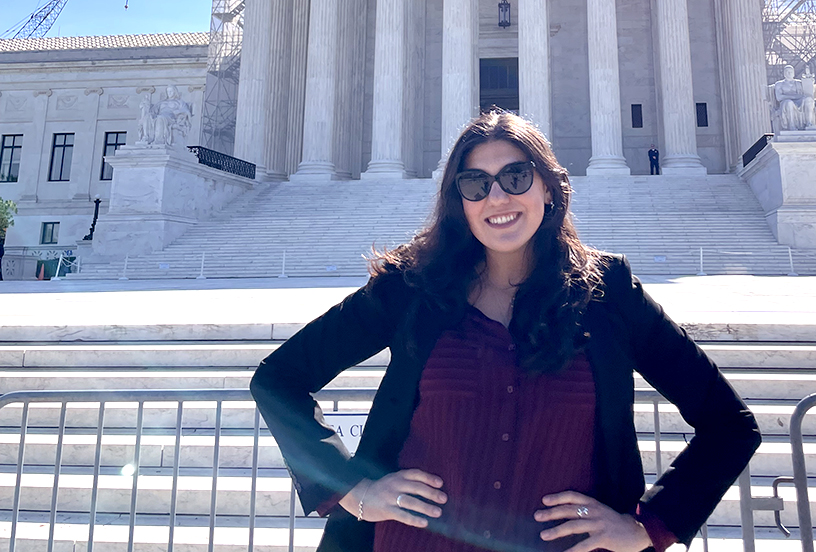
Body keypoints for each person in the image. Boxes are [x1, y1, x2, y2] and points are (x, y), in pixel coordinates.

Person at [250, 111, 760, 552]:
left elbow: (729, 423)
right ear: (460, 201)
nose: (497, 197)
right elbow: (279, 378)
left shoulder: (608, 295)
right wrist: (353, 490)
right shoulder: (411, 290)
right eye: (476, 184)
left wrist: (649, 527)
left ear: (548, 186)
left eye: (516, 176)